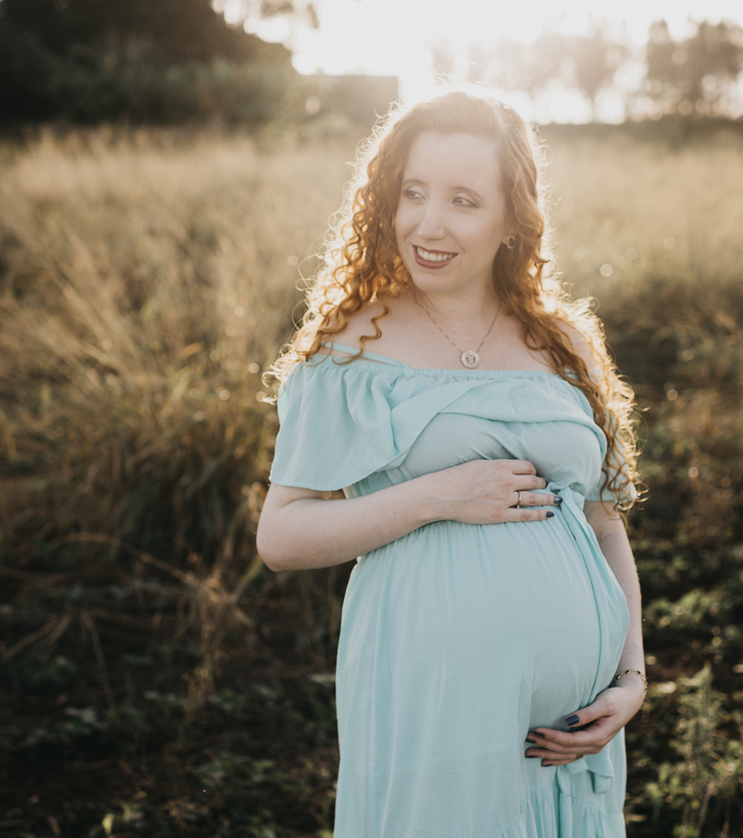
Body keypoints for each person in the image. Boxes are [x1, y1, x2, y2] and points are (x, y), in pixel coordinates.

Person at [256, 90, 646, 837]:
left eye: (464, 201)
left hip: (572, 733)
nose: (427, 226)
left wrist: (631, 679)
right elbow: (281, 536)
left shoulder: (565, 341)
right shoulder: (351, 349)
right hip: (429, 705)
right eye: (413, 194)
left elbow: (603, 527)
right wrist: (437, 495)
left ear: (512, 220)